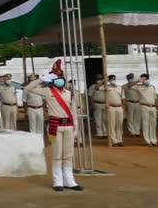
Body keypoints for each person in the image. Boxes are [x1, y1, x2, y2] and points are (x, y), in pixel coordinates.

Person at [24, 59, 83, 192]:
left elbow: (73, 113)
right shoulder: (47, 91)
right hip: (54, 125)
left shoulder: (69, 94)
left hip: (68, 126)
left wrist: (76, 128)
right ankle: (58, 181)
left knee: (68, 154)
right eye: (56, 78)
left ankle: (70, 181)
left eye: (60, 78)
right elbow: (28, 88)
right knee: (57, 154)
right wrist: (42, 79)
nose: (59, 80)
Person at [126, 74, 158, 146]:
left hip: (153, 107)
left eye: (146, 79)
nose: (145, 80)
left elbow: (155, 98)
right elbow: (129, 86)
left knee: (153, 124)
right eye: (143, 79)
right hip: (144, 106)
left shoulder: (152, 87)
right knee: (145, 124)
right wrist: (138, 81)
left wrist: (157, 106)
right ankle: (148, 141)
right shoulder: (138, 87)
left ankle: (154, 140)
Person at [87, 74, 107, 138]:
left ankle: (105, 133)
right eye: (98, 79)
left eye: (100, 79)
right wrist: (92, 104)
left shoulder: (105, 86)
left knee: (105, 119)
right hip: (97, 104)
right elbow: (90, 96)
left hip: (105, 104)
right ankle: (99, 133)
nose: (99, 80)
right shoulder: (92, 86)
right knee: (98, 119)